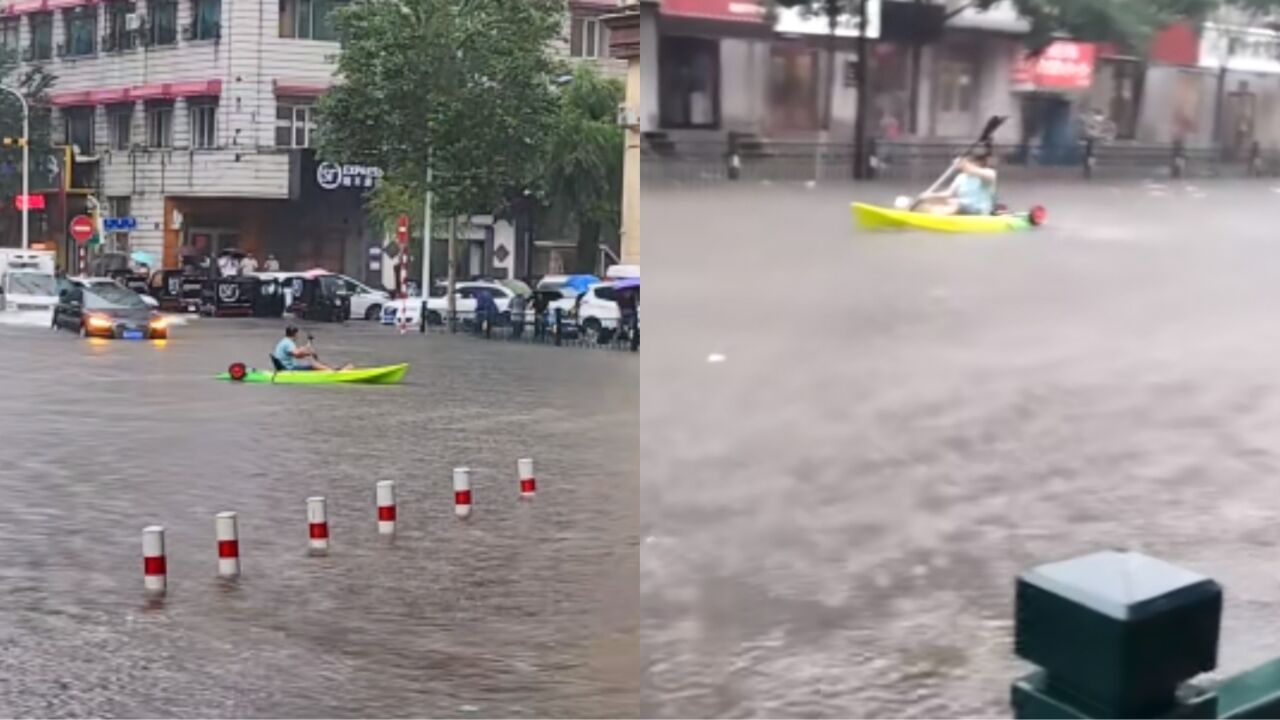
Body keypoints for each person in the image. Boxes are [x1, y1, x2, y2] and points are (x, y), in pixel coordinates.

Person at [916, 147, 998, 217]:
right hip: (963, 208)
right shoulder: (961, 177)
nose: (964, 167)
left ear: (978, 164)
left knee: (955, 202)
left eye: (970, 163)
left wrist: (964, 163)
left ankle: (935, 216)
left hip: (981, 211)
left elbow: (972, 169)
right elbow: (948, 194)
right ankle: (928, 212)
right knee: (941, 200)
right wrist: (930, 196)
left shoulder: (989, 173)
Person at [272, 326, 350, 372]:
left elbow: (297, 355)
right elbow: (297, 354)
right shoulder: (288, 343)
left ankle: (331, 369)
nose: (298, 336)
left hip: (286, 367)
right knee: (313, 365)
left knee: (316, 365)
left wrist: (307, 349)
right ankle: (334, 373)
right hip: (288, 369)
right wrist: (308, 353)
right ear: (295, 334)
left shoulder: (284, 341)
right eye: (297, 334)